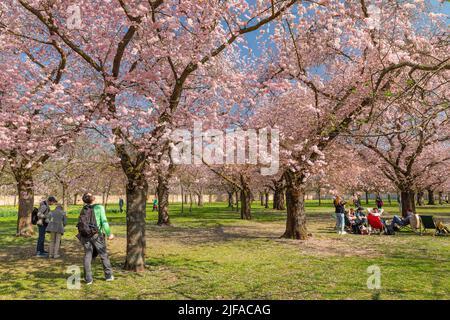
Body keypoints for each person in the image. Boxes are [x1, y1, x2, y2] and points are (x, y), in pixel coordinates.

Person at [77, 192, 114, 285]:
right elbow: (104, 221)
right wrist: (109, 233)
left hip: (85, 235)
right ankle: (108, 276)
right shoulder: (99, 207)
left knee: (87, 255)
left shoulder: (84, 209)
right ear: (93, 198)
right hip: (97, 235)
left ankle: (88, 279)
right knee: (103, 255)